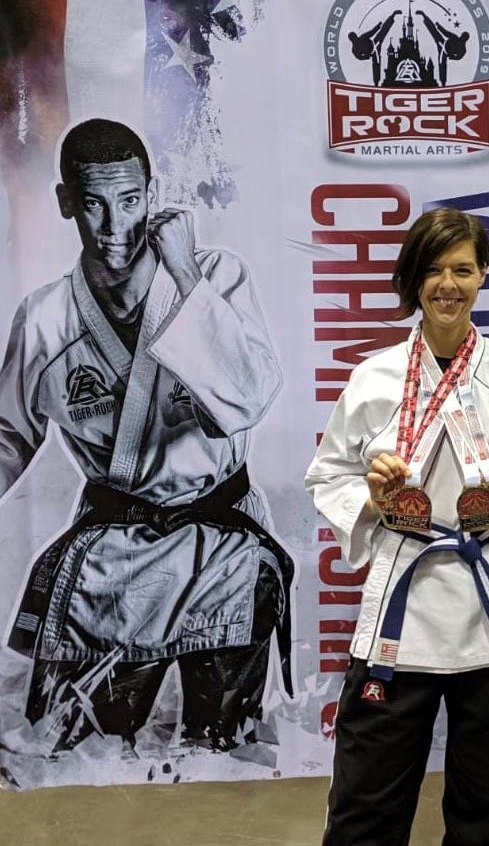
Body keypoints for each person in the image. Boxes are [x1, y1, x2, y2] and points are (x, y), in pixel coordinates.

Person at [0, 117, 293, 752]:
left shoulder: (217, 277)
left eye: (130, 202)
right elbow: (7, 435)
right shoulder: (47, 319)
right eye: (94, 205)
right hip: (115, 547)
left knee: (226, 748)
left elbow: (246, 400)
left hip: (222, 543)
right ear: (65, 203)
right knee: (75, 745)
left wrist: (186, 275)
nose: (114, 227)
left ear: (153, 196)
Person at [306, 208, 489, 846]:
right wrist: (371, 497)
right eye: (433, 270)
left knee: (487, 804)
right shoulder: (374, 378)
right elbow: (328, 477)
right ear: (413, 280)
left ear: (484, 276)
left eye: (462, 269)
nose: (447, 284)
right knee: (365, 804)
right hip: (408, 599)